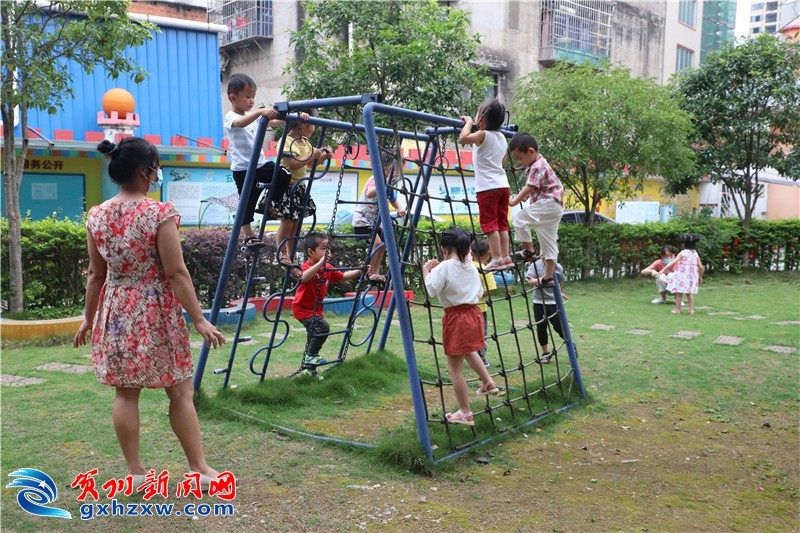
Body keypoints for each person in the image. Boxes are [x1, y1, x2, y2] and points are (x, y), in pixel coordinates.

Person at [74, 138, 227, 491]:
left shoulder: (96, 215)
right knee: (180, 392)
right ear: (145, 171)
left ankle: (137, 473)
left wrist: (88, 318)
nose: (157, 174)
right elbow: (176, 272)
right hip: (156, 310)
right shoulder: (159, 213)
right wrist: (199, 319)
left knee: (126, 394)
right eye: (156, 168)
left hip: (116, 311)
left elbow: (96, 274)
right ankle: (199, 470)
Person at [422, 228, 501, 427]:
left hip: (456, 316)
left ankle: (465, 413)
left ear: (444, 249)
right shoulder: (471, 266)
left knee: (455, 369)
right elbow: (480, 291)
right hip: (474, 313)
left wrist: (426, 270)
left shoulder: (444, 267)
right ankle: (488, 382)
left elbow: (431, 290)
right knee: (469, 350)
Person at [223, 73, 296, 247]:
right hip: (243, 170)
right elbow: (241, 123)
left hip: (261, 165)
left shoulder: (254, 118)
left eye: (253, 97)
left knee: (283, 174)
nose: (251, 101)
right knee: (246, 203)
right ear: (233, 98)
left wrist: (293, 119)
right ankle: (249, 235)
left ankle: (267, 202)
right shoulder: (231, 117)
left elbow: (274, 122)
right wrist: (259, 112)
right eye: (247, 97)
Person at [292, 232, 369, 376]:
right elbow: (303, 278)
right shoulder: (306, 267)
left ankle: (309, 370)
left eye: (328, 249)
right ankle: (311, 356)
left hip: (316, 309)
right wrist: (320, 264)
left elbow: (343, 276)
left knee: (314, 335)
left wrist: (360, 271)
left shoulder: (327, 267)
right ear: (310, 252)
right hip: (302, 309)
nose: (328, 252)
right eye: (323, 249)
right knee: (322, 327)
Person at [458, 99, 512, 271]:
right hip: (503, 185)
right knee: (502, 223)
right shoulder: (502, 137)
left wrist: (468, 123)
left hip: (487, 188)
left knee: (490, 225)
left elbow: (463, 138)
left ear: (480, 120)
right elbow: (503, 160)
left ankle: (496, 258)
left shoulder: (482, 135)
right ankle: (505, 257)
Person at [275, 108, 331, 270]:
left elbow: (310, 164)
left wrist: (323, 156)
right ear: (301, 124)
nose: (313, 128)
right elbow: (293, 164)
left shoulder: (306, 142)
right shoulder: (286, 141)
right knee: (287, 222)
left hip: (299, 187)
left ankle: (291, 255)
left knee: (296, 224)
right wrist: (313, 155)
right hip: (286, 187)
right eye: (312, 124)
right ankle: (281, 253)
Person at [509, 132, 564, 286]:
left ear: (531, 151)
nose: (519, 162)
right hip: (554, 207)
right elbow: (533, 189)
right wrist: (524, 197)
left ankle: (529, 251)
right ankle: (548, 277)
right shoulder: (537, 164)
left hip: (548, 203)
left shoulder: (537, 165)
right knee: (549, 245)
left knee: (519, 219)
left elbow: (529, 187)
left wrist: (513, 202)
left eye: (520, 158)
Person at [352, 151, 407, 283]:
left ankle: (374, 273)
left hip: (375, 222)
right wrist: (384, 183)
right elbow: (370, 193)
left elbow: (393, 198)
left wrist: (400, 207)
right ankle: (368, 272)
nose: (399, 174)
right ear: (388, 167)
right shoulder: (375, 179)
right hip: (362, 220)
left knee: (382, 245)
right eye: (398, 170)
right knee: (377, 243)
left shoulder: (389, 184)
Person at [525, 251, 567, 364]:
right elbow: (530, 281)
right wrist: (543, 279)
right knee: (541, 328)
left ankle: (571, 345)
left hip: (553, 302)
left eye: (547, 256)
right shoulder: (535, 265)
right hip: (539, 302)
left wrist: (561, 293)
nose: (544, 259)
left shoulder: (558, 267)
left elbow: (560, 282)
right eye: (542, 256)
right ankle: (545, 354)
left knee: (559, 327)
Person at [470, 238, 497, 367]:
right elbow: (489, 290)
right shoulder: (484, 269)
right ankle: (481, 357)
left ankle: (469, 355)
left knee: (468, 332)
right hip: (480, 309)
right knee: (481, 333)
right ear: (489, 253)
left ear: (471, 252)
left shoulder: (466, 266)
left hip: (465, 307)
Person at [661, 233, 704, 315]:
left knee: (678, 292)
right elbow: (701, 267)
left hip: (682, 276)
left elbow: (674, 262)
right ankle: (691, 310)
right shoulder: (695, 254)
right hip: (691, 276)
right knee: (689, 293)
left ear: (684, 243)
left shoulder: (683, 253)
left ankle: (677, 309)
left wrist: (664, 269)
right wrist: (700, 277)